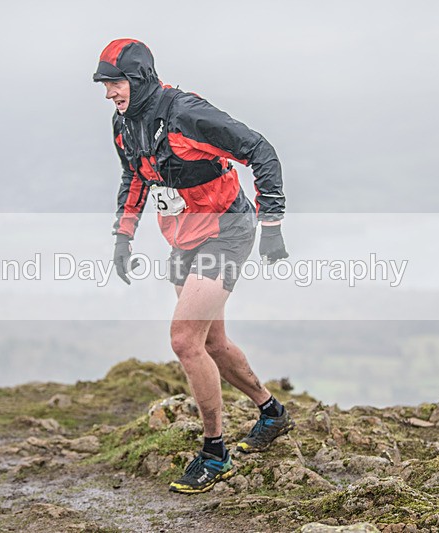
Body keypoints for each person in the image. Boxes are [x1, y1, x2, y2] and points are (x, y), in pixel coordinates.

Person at [93, 38, 294, 494]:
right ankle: (271, 412)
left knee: (184, 340)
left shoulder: (186, 114)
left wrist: (273, 224)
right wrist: (122, 236)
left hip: (226, 232)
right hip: (183, 239)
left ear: (140, 78)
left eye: (115, 83)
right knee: (213, 342)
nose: (108, 93)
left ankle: (214, 452)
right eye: (104, 86)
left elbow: (260, 150)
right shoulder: (124, 125)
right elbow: (134, 176)